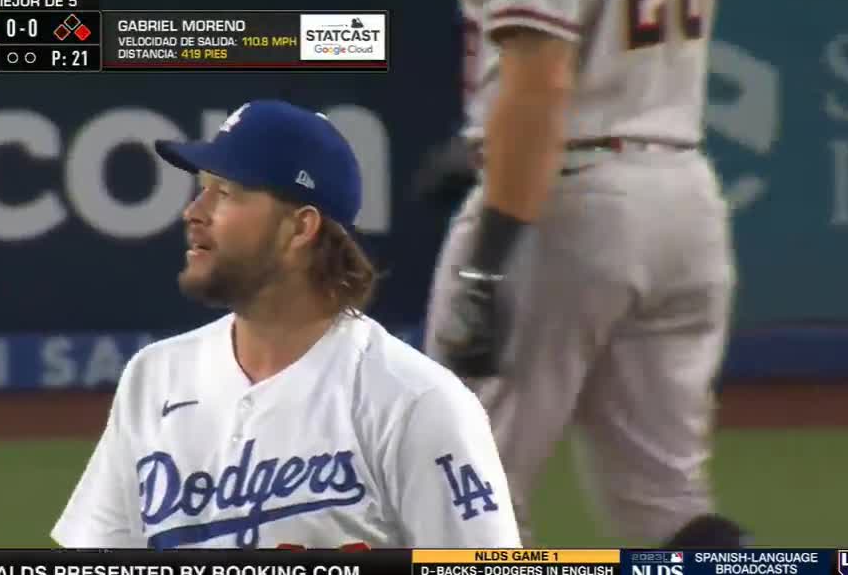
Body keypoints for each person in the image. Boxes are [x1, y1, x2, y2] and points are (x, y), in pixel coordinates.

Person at [51, 99, 522, 549]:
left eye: (226, 193)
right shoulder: (153, 378)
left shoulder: (414, 402)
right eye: (202, 189)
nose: (194, 212)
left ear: (301, 228)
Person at [422, 0, 750, 548]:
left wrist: (486, 263)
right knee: (667, 506)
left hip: (566, 194)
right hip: (684, 192)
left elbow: (542, 81)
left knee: (464, 488)